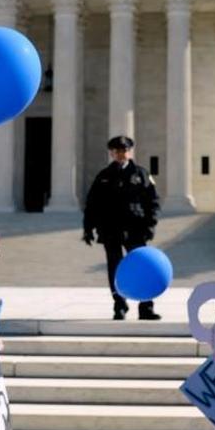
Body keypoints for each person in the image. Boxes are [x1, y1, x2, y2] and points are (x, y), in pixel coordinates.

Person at [82, 135, 161, 321]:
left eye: (124, 150)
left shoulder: (141, 174)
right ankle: (119, 305)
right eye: (116, 151)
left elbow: (152, 201)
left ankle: (146, 306)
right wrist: (88, 228)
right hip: (111, 229)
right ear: (111, 153)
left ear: (130, 151)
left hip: (136, 229)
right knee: (115, 268)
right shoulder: (104, 176)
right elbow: (92, 204)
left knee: (141, 268)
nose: (120, 154)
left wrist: (150, 225)